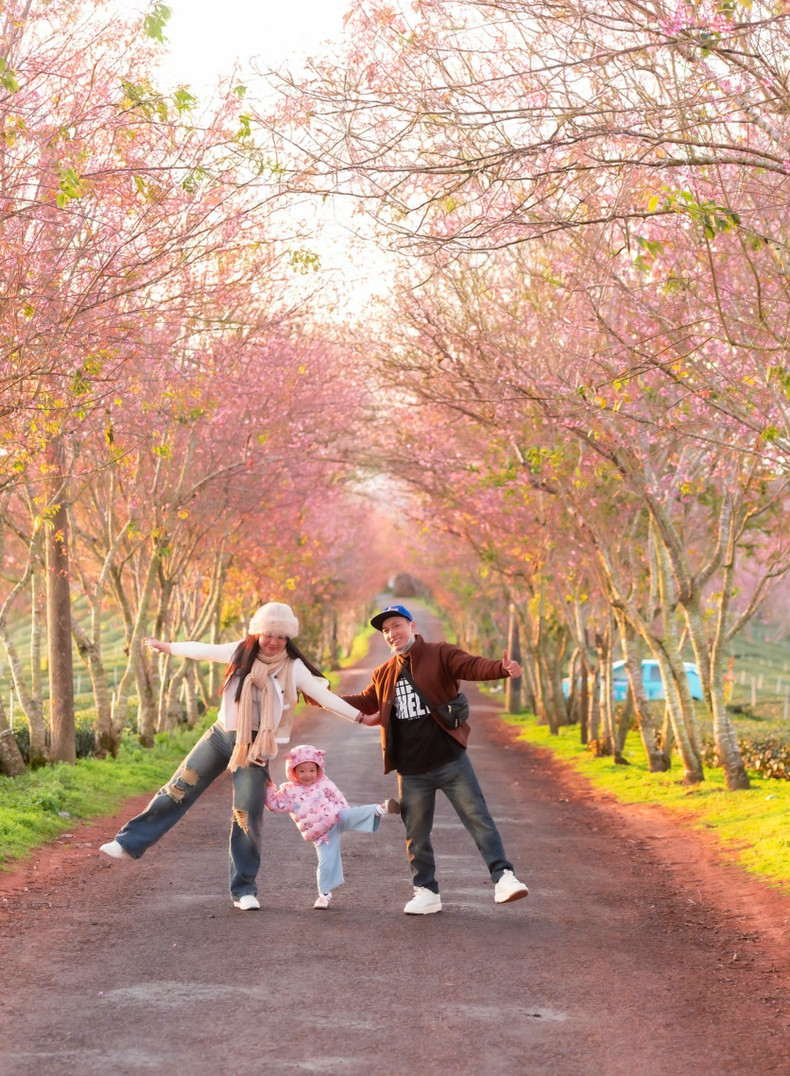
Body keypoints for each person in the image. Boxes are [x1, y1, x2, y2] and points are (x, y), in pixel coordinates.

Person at [99, 602, 372, 911]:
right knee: (178, 788)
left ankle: (244, 889)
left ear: (288, 638)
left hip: (256, 749)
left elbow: (326, 698)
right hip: (220, 736)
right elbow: (202, 650)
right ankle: (128, 842)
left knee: (246, 815)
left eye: (281, 636)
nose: (273, 641)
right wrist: (166, 647)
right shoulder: (240, 652)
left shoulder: (293, 667)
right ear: (257, 631)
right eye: (268, 633)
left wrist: (363, 719)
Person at [341, 603, 529, 915]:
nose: (392, 634)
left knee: (478, 819)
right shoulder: (383, 673)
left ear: (412, 626)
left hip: (450, 760)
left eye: (396, 626)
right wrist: (319, 696)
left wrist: (501, 668)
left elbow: (471, 666)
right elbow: (365, 701)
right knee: (416, 833)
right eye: (386, 631)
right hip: (412, 770)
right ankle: (426, 891)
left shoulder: (440, 653)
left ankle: (504, 878)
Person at [265, 743, 400, 909]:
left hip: (337, 817)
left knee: (352, 814)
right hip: (322, 835)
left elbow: (338, 798)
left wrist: (346, 813)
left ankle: (381, 809)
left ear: (318, 769)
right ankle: (324, 895)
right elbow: (274, 804)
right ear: (292, 771)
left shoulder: (324, 783)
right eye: (302, 771)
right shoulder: (289, 792)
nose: (307, 775)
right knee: (326, 863)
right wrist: (269, 787)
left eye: (312, 770)